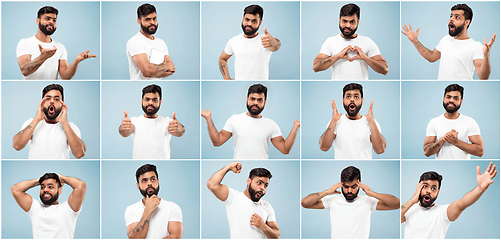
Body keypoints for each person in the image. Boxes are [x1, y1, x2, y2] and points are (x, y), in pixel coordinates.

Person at [201, 83, 300, 159]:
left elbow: (285, 149)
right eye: (252, 99)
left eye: (259, 100)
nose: (255, 103)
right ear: (247, 99)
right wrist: (208, 118)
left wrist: (295, 127)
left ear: (265, 101)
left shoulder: (271, 125)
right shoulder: (234, 119)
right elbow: (217, 142)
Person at [401, 162, 497, 238]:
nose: (429, 191)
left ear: (438, 191)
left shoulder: (443, 212)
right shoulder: (409, 209)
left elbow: (462, 204)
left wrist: (480, 188)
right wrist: (413, 200)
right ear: (419, 187)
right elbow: (397, 218)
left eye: (433, 188)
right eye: (425, 186)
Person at [402, 4, 496, 80]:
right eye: (451, 16)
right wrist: (415, 41)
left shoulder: (475, 46)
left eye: (457, 17)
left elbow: (483, 77)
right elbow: (431, 57)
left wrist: (486, 55)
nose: (451, 19)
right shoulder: (446, 39)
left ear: (466, 22)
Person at [301, 166, 399, 239]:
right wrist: (327, 192)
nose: (349, 191)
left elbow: (396, 204)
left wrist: (373, 194)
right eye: (346, 187)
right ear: (341, 184)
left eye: (353, 187)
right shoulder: (332, 200)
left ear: (359, 183)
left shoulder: (368, 201)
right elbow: (305, 203)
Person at [16, 6, 96, 80]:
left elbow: (65, 76)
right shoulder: (25, 43)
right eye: (47, 19)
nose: (51, 22)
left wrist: (76, 61)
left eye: (54, 20)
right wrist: (43, 57)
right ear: (38, 20)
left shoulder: (60, 47)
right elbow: (25, 71)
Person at [312, 3, 388, 79]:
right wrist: (337, 56)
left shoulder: (367, 42)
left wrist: (365, 58)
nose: (348, 26)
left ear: (358, 21)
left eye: (352, 22)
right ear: (339, 19)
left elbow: (384, 70)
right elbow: (316, 67)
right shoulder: (330, 41)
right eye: (344, 21)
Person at [207, 161, 280, 238]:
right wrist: (228, 167)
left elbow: (276, 236)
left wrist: (263, 226)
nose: (262, 188)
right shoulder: (233, 197)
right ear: (249, 181)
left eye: (266, 185)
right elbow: (212, 184)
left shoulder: (266, 206)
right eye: (259, 182)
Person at [12, 84, 86, 159]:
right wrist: (36, 119)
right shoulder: (31, 123)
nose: (52, 101)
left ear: (62, 104)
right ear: (42, 102)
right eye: (48, 98)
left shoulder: (71, 127)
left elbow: (79, 153)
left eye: (56, 99)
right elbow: (17, 145)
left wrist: (65, 123)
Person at [319, 83, 385, 159]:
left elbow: (380, 150)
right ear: (343, 100)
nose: (352, 99)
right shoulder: (335, 121)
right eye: (348, 96)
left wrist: (372, 122)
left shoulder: (371, 122)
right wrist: (333, 121)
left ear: (362, 100)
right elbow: (324, 147)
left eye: (356, 97)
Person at [11, 173, 86, 238]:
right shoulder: (35, 208)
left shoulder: (68, 209)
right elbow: (15, 189)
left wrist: (62, 178)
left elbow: (80, 185)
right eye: (42, 187)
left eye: (50, 187)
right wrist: (39, 180)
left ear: (59, 190)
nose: (45, 190)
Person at [119, 84, 185, 159]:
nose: (150, 103)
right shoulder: (134, 121)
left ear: (160, 102)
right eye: (147, 99)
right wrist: (123, 128)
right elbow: (124, 133)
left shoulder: (167, 122)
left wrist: (178, 128)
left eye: (154, 100)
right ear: (142, 101)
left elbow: (180, 132)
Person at [218, 4, 281, 80]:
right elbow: (222, 59)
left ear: (260, 23)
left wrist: (274, 42)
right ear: (243, 19)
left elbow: (276, 46)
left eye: (254, 21)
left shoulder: (265, 40)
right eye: (247, 19)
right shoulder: (233, 41)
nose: (249, 24)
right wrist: (227, 79)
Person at [423, 84, 483, 159]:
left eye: (456, 98)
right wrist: (443, 139)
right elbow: (427, 152)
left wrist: (455, 141)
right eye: (448, 97)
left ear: (461, 101)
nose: (451, 100)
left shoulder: (470, 122)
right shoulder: (434, 122)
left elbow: (480, 151)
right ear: (444, 98)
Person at [125, 164, 183, 239]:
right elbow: (134, 238)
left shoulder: (172, 208)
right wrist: (148, 209)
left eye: (153, 179)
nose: (149, 183)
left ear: (158, 181)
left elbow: (175, 237)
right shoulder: (131, 210)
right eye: (144, 180)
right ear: (138, 186)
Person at [127, 3, 175, 80]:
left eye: (154, 18)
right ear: (139, 21)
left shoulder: (161, 43)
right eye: (147, 19)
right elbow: (147, 70)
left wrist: (152, 71)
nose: (152, 22)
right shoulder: (135, 41)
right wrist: (164, 67)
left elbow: (171, 70)